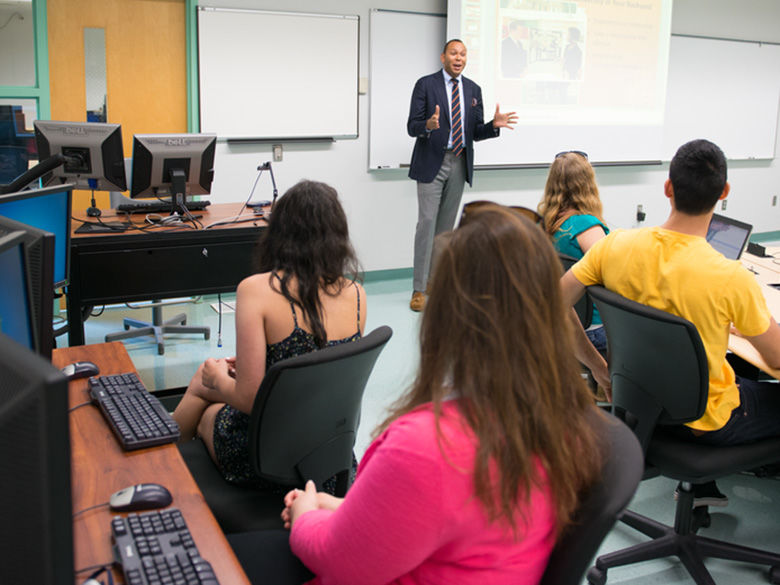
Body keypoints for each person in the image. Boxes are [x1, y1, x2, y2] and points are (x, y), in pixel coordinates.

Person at [229, 203, 605, 584]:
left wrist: (307, 514)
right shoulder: (566, 424)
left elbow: (339, 562)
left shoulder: (427, 446)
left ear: (445, 316)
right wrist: (344, 508)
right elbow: (440, 519)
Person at [563, 139, 780, 507]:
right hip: (708, 422)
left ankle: (704, 490)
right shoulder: (730, 277)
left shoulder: (612, 246)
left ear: (667, 187)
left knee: (741, 369)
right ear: (724, 192)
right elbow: (776, 360)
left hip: (638, 407)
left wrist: (601, 372)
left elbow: (550, 305)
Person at [173, 180, 366, 489]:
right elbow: (319, 364)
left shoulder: (255, 290)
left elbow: (250, 399)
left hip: (264, 456)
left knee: (202, 385)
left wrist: (215, 378)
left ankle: (163, 472)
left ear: (279, 232)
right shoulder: (356, 294)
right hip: (329, 455)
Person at [407, 38, 518, 312]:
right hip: (432, 161)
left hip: (459, 162)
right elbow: (412, 126)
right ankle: (419, 289)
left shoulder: (473, 89)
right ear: (443, 56)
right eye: (454, 53)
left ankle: (436, 282)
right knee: (427, 224)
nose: (459, 58)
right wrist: (428, 125)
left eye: (463, 54)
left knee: (446, 229)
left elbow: (474, 132)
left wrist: (493, 125)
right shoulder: (425, 84)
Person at [538, 150, 608, 352]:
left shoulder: (545, 226)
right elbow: (612, 273)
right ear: (588, 184)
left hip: (558, 327)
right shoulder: (586, 225)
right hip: (594, 332)